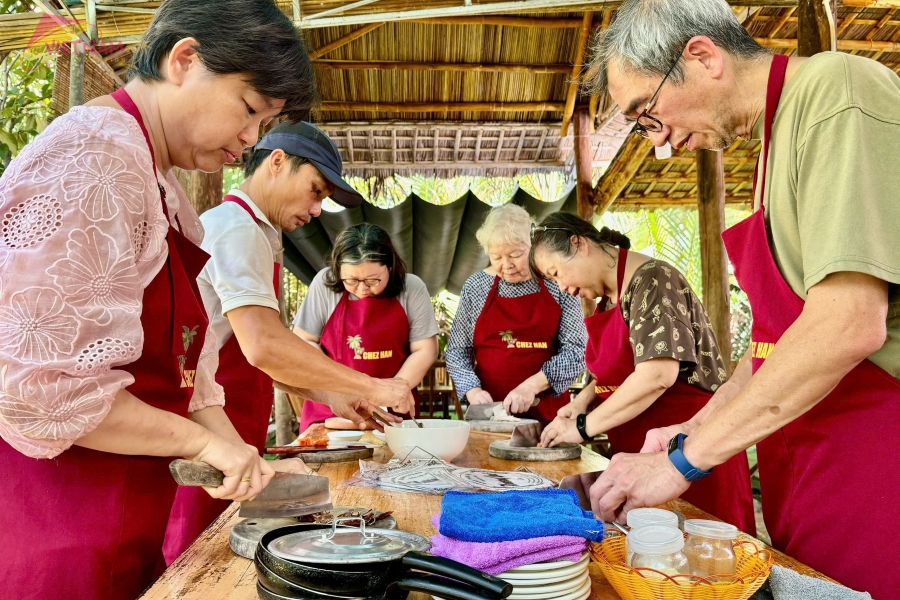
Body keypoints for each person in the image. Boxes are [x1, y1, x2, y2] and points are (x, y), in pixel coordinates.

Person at [583, 0, 900, 595]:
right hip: (807, 460)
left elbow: (849, 323)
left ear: (702, 57)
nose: (662, 145)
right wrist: (693, 425)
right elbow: (769, 346)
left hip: (878, 453)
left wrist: (681, 463)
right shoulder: (772, 140)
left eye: (647, 115)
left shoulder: (837, 92)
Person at [0, 1, 316, 598]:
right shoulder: (95, 160)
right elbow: (39, 386)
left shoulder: (156, 178)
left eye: (264, 124)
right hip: (58, 529)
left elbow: (185, 372)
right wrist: (203, 444)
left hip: (119, 524)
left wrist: (240, 452)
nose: (249, 140)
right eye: (248, 111)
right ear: (185, 60)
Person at [162, 122, 415, 563]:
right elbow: (264, 345)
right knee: (194, 560)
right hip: (204, 426)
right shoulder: (236, 229)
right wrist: (370, 386)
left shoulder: (261, 233)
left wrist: (331, 395)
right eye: (315, 191)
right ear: (277, 163)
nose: (318, 210)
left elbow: (254, 353)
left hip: (232, 422)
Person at [530, 212, 755, 534]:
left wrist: (583, 426)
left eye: (556, 273)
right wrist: (581, 403)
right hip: (636, 451)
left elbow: (656, 375)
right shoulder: (607, 299)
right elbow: (615, 376)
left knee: (701, 553)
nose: (563, 287)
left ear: (578, 244)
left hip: (686, 446)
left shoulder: (653, 279)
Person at [445, 204, 587, 423]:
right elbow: (456, 351)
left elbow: (577, 350)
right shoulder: (476, 287)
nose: (507, 265)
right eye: (497, 257)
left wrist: (531, 386)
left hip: (548, 414)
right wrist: (472, 390)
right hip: (490, 414)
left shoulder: (558, 281)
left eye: (515, 255)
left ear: (533, 245)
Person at [293, 223, 439, 431]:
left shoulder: (412, 288)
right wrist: (338, 388)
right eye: (351, 280)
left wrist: (391, 392)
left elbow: (425, 350)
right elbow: (303, 342)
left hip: (392, 413)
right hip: (331, 409)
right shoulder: (324, 285)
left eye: (373, 280)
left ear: (390, 266)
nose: (362, 289)